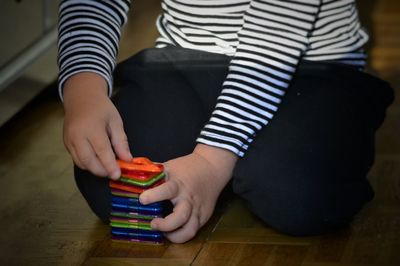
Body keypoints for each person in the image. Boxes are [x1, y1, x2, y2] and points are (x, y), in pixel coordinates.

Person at [58, 0, 393, 243]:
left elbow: (277, 27)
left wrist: (212, 158)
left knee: (300, 199)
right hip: (186, 57)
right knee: (115, 185)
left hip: (308, 68)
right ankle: (230, 170)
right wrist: (83, 87)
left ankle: (227, 168)